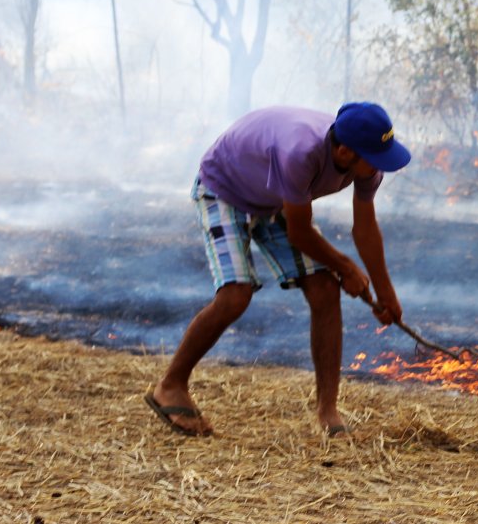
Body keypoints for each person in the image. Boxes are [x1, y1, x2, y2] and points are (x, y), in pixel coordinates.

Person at [144, 102, 411, 438]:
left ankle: (328, 410)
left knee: (324, 289)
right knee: (235, 295)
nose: (379, 167)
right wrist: (344, 266)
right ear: (344, 151)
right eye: (375, 157)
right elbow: (298, 232)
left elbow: (365, 228)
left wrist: (386, 292)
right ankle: (171, 385)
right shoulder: (300, 153)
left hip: (274, 198)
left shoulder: (367, 163)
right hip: (224, 189)